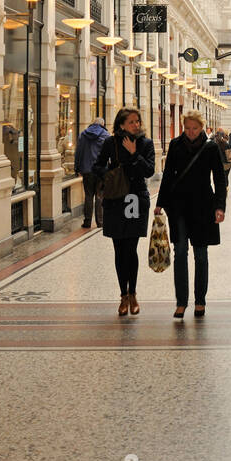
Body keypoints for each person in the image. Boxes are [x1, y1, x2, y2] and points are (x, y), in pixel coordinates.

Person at [156, 111, 228, 319]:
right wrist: (160, 203)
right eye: (187, 128)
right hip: (178, 206)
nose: (190, 132)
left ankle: (200, 301)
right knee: (179, 252)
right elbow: (168, 175)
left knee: (201, 254)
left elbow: (220, 179)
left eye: (194, 128)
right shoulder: (176, 145)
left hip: (203, 206)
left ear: (202, 127)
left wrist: (220, 207)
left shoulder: (211, 147)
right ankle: (181, 302)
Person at [91, 107, 156, 316]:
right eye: (131, 122)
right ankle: (123, 296)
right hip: (116, 199)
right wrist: (110, 174)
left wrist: (134, 153)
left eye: (138, 121)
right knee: (119, 248)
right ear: (121, 124)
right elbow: (97, 166)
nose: (136, 125)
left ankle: (133, 293)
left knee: (131, 247)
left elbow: (149, 170)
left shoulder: (145, 143)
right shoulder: (110, 143)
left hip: (135, 198)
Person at [73, 118, 110, 229]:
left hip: (87, 170)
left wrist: (77, 167)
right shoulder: (106, 135)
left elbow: (78, 152)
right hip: (100, 171)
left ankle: (87, 222)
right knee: (99, 196)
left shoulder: (83, 134)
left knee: (88, 196)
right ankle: (100, 222)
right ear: (102, 124)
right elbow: (109, 154)